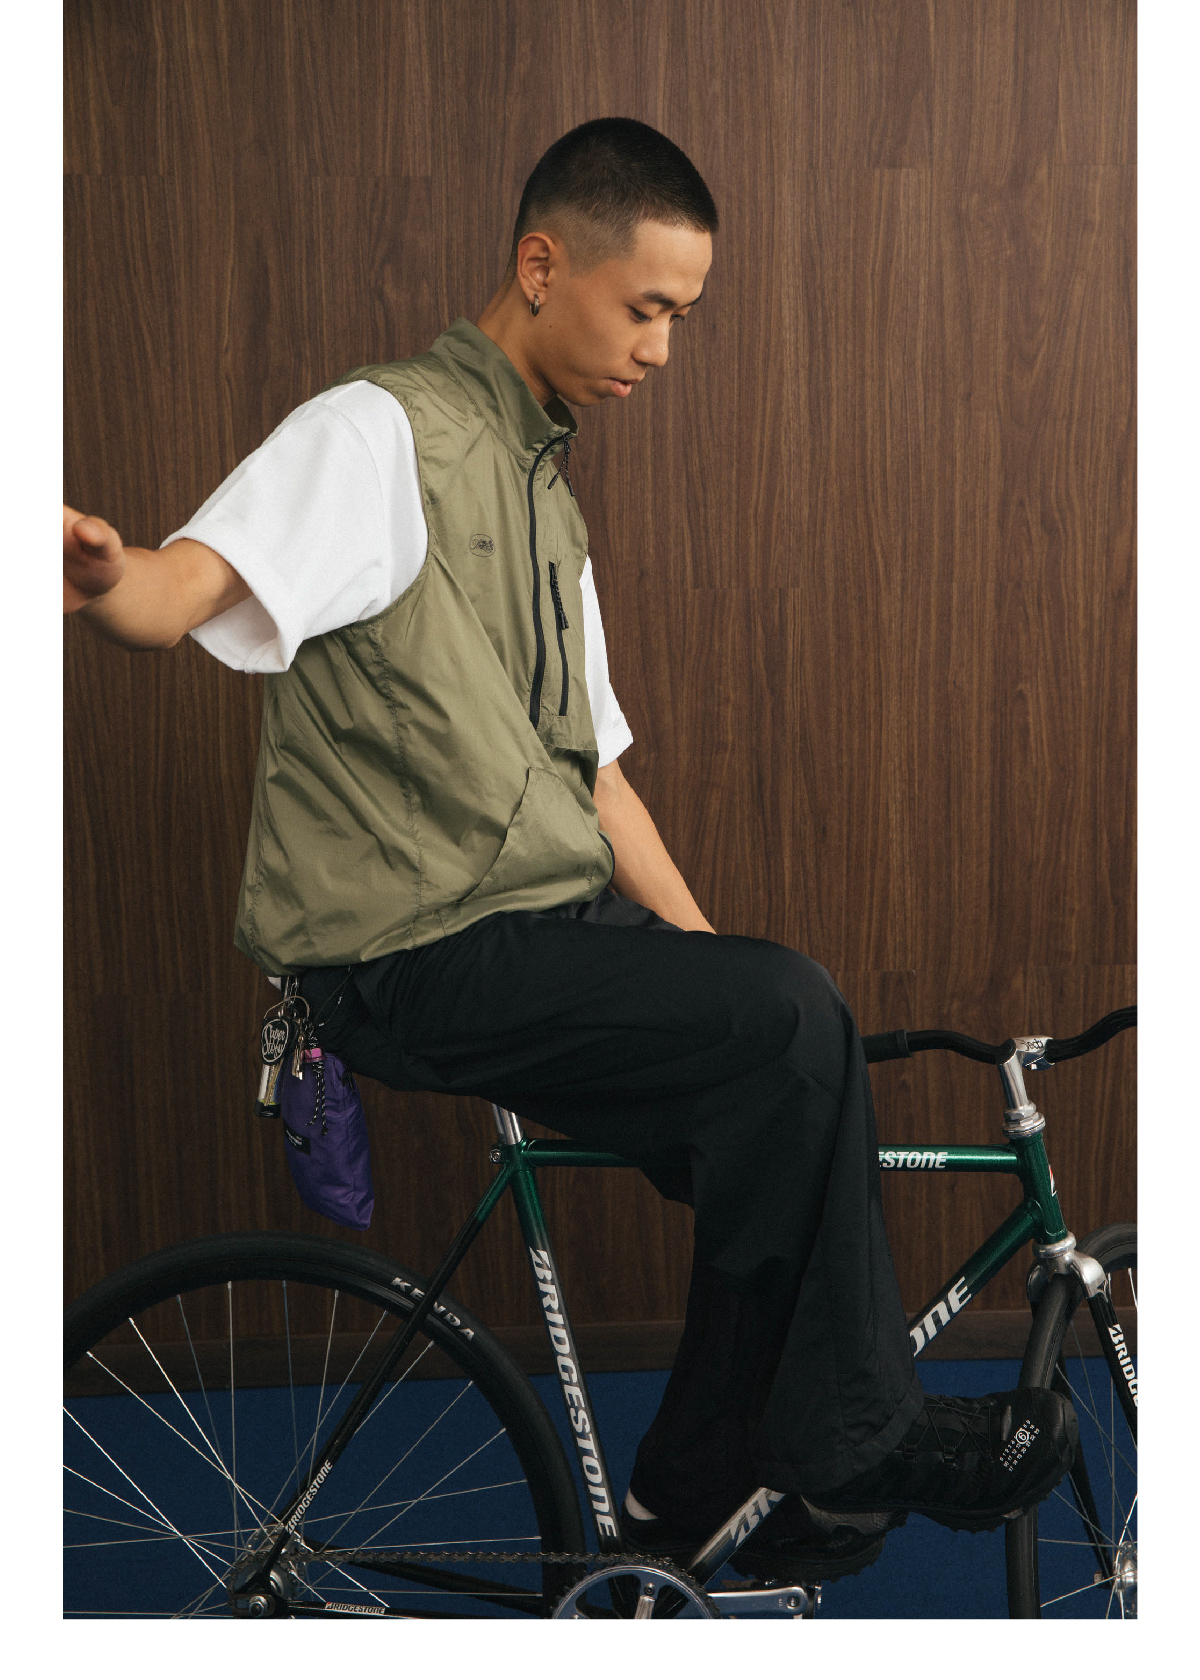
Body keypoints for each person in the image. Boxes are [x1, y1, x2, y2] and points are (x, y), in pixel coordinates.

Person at [64, 117, 1076, 1583]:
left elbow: (596, 776)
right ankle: (853, 1445)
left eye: (683, 319)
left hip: (533, 931)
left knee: (789, 1076)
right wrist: (104, 581)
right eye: (646, 307)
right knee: (788, 1023)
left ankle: (691, 1502)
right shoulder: (380, 433)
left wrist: (721, 976)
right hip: (408, 951)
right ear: (543, 266)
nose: (661, 350)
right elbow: (182, 589)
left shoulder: (544, 496)